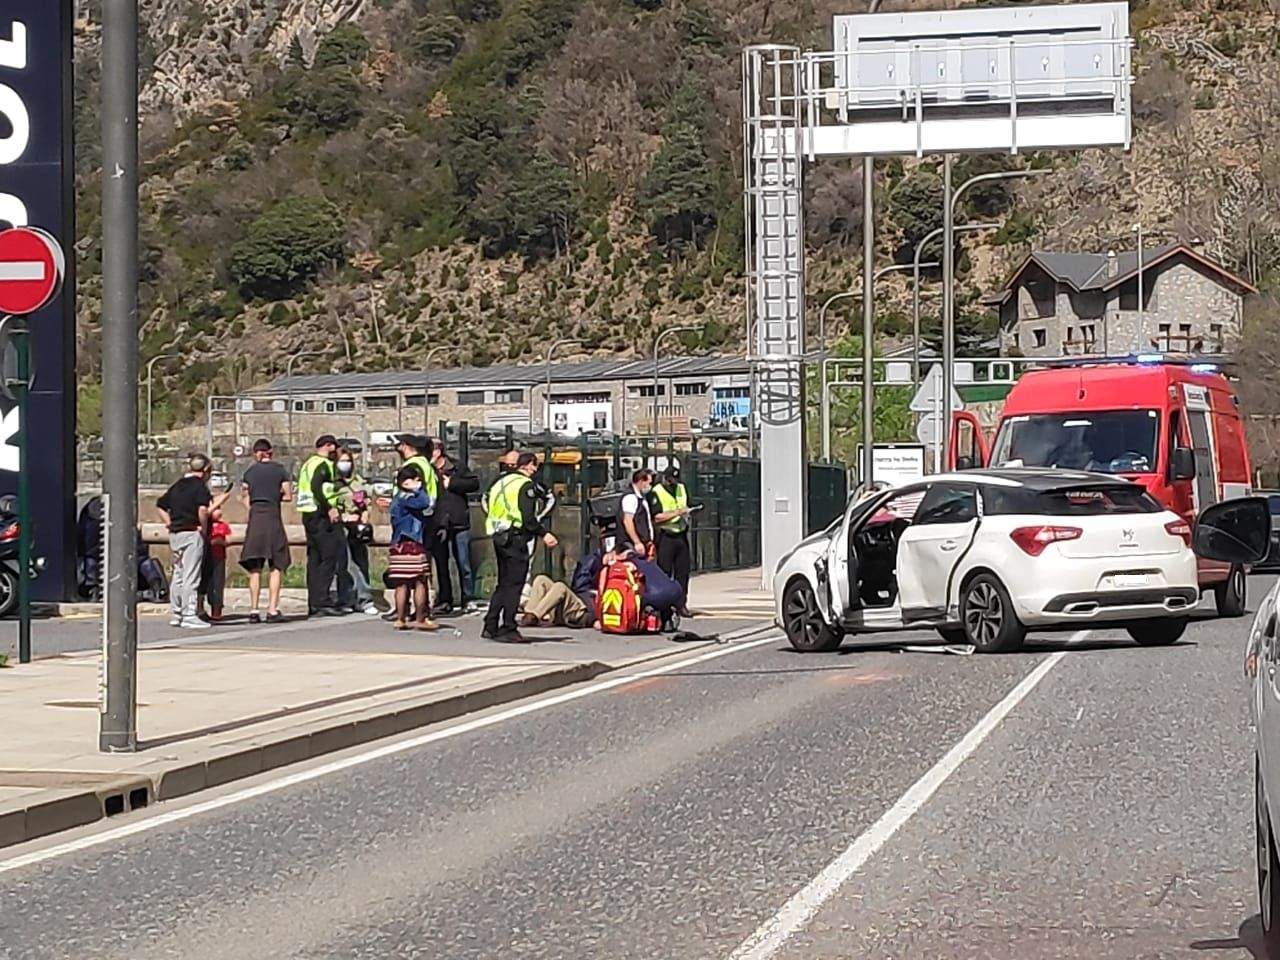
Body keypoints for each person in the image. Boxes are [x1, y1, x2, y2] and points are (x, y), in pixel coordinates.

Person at [483, 451, 558, 642]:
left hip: (498, 536)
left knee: (503, 583)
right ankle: (509, 627)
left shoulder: (501, 482)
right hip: (515, 537)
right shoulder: (525, 485)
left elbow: (487, 503)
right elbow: (528, 518)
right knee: (515, 584)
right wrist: (544, 533)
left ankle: (490, 625)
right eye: (535, 466)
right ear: (529, 465)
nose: (535, 470)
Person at [157, 454, 217, 630]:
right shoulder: (200, 487)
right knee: (191, 575)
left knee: (179, 574)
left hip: (176, 533)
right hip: (191, 532)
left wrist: (169, 523)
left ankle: (176, 612)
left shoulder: (177, 485)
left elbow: (160, 505)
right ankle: (190, 614)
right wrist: (203, 529)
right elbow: (203, 510)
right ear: (206, 469)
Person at [239, 438, 292, 623]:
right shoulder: (280, 470)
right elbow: (288, 495)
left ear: (256, 453)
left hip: (255, 520)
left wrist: (254, 506)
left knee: (255, 568)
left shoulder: (250, 472)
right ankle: (272, 610)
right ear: (271, 452)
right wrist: (275, 496)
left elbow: (244, 496)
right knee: (276, 566)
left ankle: (254, 610)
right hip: (273, 519)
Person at [429, 439, 480, 616]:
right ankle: (445, 600)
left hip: (459, 521)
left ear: (439, 452)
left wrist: (452, 484)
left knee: (463, 563)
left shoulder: (457, 467)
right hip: (438, 523)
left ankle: (468, 598)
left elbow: (474, 484)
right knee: (441, 564)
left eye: (431, 450)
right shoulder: (427, 471)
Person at [297, 434, 344, 617]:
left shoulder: (309, 463)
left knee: (315, 559)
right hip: (320, 514)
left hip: (308, 513)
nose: (335, 451)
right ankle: (322, 600)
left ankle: (314, 602)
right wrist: (329, 508)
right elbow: (317, 487)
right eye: (334, 447)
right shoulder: (323, 464)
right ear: (328, 446)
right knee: (328, 557)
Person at [388, 465, 438, 631]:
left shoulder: (397, 497)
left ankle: (400, 618)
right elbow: (425, 502)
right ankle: (420, 618)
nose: (418, 482)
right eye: (415, 479)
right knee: (419, 581)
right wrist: (418, 490)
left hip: (398, 544)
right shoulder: (408, 498)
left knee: (401, 583)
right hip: (412, 543)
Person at [332, 447, 380, 616]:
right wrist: (343, 516)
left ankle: (364, 599)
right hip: (341, 526)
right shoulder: (333, 483)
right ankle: (345, 599)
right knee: (344, 565)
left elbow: (367, 501)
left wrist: (364, 515)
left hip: (358, 526)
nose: (345, 464)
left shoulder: (358, 481)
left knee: (360, 563)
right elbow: (330, 504)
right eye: (342, 461)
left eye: (348, 461)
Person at [650, 465, 694, 618]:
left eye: (675, 479)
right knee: (664, 572)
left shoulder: (681, 488)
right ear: (665, 478)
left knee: (683, 572)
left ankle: (681, 604)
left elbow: (688, 504)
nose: (673, 482)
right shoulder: (656, 492)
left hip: (681, 534)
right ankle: (664, 606)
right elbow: (656, 517)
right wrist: (677, 513)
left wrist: (691, 511)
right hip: (666, 536)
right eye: (671, 479)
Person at [519, 574, 593, 629]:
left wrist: (594, 619)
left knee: (560, 586)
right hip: (560, 610)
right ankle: (529, 613)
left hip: (577, 613)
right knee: (541, 579)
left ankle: (534, 615)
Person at [616, 469, 656, 558]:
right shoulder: (631, 498)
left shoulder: (640, 497)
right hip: (632, 545)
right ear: (641, 481)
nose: (649, 486)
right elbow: (627, 521)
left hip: (642, 544)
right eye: (649, 483)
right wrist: (637, 542)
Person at [202, 507, 231, 622]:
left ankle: (217, 610)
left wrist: (222, 542)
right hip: (205, 557)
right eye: (216, 509)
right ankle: (200, 607)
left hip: (219, 558)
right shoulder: (204, 525)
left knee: (218, 584)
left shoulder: (223, 525)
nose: (219, 512)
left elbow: (229, 539)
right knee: (205, 582)